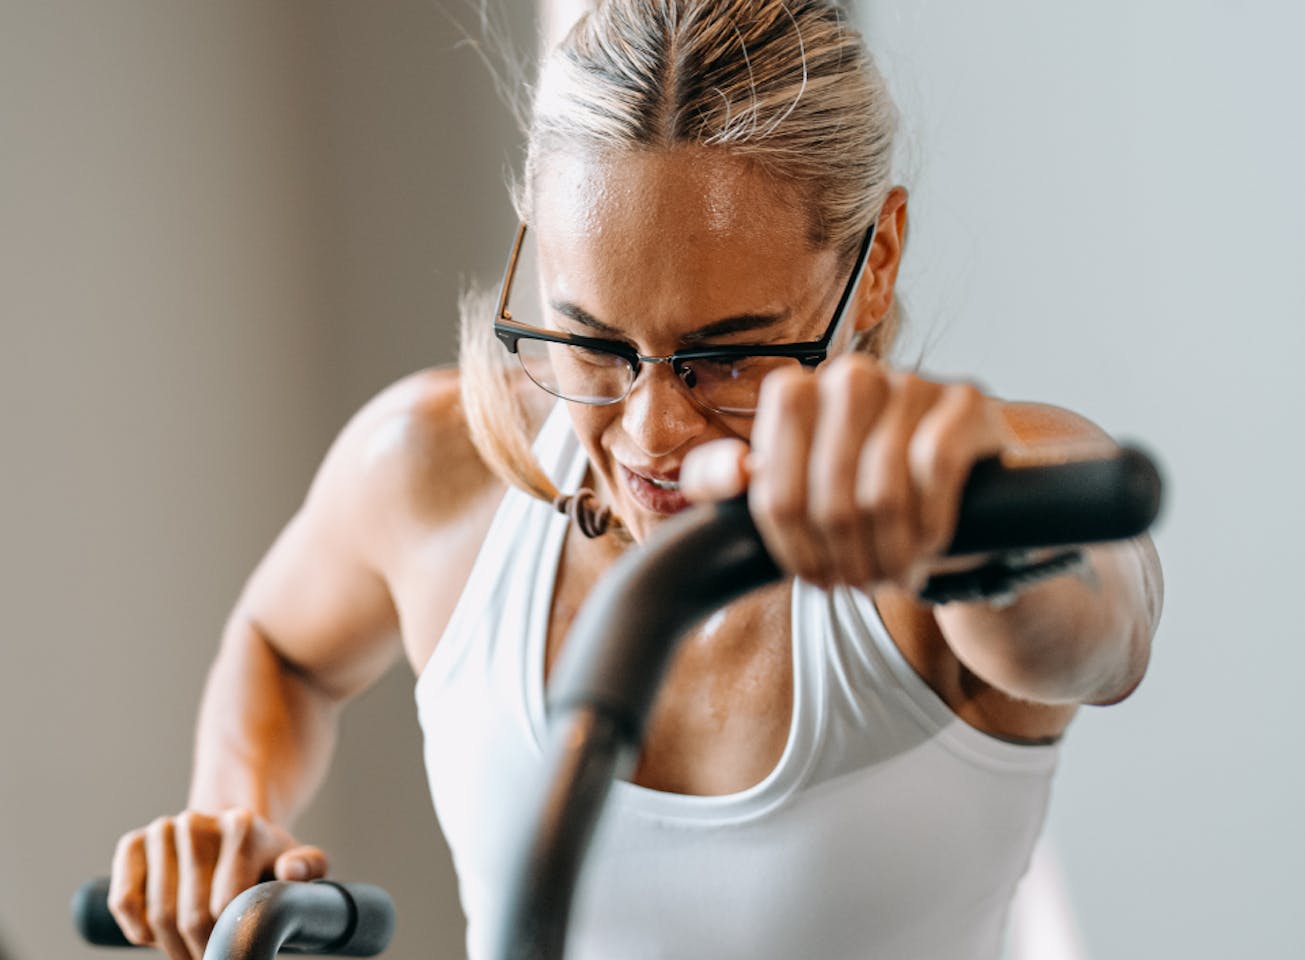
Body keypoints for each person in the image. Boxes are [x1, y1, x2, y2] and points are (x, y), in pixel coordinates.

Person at [106, 2, 1163, 958]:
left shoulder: (960, 490)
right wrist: (225, 819)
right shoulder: (434, 471)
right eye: (595, 346)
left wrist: (970, 535)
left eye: (730, 354)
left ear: (874, 259)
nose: (652, 429)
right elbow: (282, 646)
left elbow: (1106, 625)